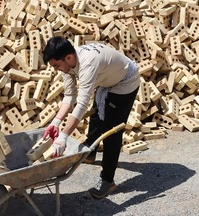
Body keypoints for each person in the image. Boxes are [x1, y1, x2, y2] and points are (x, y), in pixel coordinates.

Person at [42, 36, 140, 199]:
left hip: (125, 81)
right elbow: (70, 96)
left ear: (68, 57)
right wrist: (56, 122)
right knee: (97, 114)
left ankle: (108, 181)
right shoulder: (68, 63)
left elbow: (81, 104)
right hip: (108, 79)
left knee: (111, 132)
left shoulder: (87, 63)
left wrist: (63, 137)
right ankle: (91, 152)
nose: (56, 69)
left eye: (56, 66)